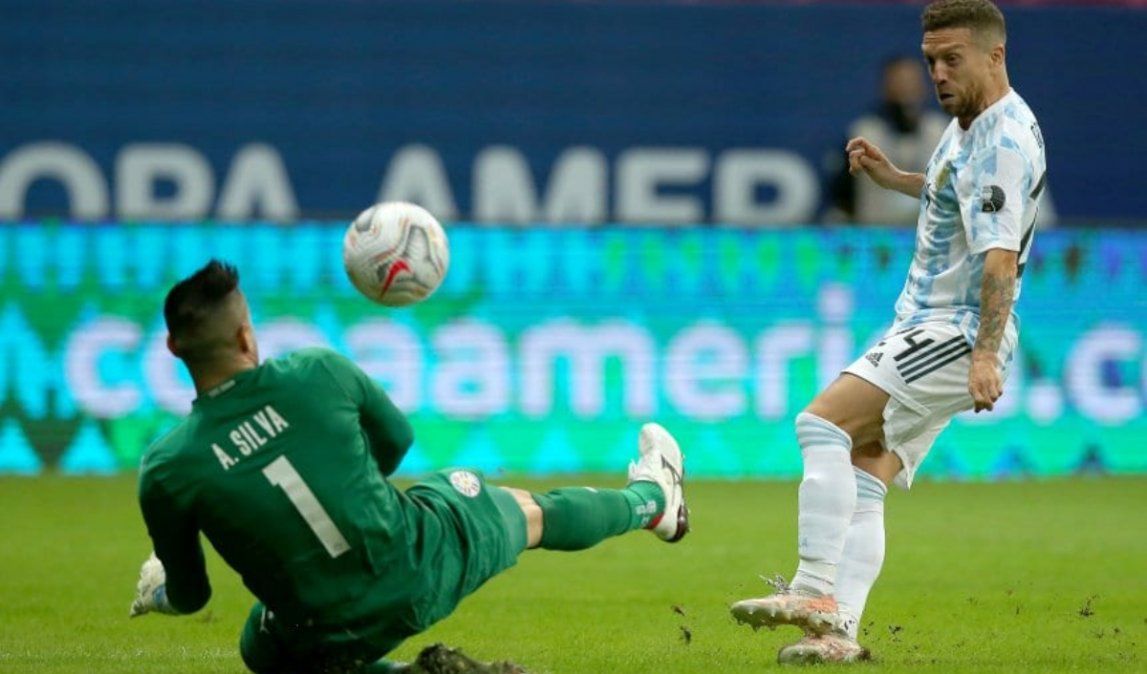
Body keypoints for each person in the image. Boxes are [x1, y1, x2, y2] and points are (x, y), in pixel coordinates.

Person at [129, 259, 689, 673]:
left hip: (322, 628)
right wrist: (352, 492)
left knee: (263, 646)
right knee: (527, 511)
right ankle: (653, 501)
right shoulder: (316, 371)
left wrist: (160, 592)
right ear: (246, 334)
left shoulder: (167, 469)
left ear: (173, 348)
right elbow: (396, 441)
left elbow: (193, 596)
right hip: (416, 560)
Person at [731, 0, 1046, 664]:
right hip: (939, 327)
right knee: (866, 473)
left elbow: (998, 258)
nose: (938, 74)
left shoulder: (1002, 144)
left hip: (955, 329)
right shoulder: (969, 128)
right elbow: (954, 194)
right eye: (931, 61)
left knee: (821, 424)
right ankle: (837, 636)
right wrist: (893, 179)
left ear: (995, 55)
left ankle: (813, 589)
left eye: (952, 59)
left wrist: (983, 354)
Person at [823, 55, 949, 226]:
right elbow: (842, 195)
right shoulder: (864, 133)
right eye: (899, 82)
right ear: (885, 86)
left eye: (911, 81)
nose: (906, 88)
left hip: (931, 233)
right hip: (876, 232)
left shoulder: (941, 131)